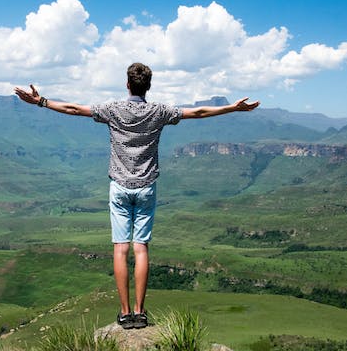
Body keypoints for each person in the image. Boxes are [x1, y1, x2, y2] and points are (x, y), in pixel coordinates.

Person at [14, 63, 259, 330]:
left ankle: (124, 312)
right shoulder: (159, 111)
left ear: (127, 84)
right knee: (140, 248)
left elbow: (74, 109)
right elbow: (198, 112)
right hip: (146, 187)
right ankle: (141, 313)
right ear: (148, 86)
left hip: (119, 187)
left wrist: (41, 102)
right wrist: (232, 108)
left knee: (121, 248)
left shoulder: (113, 109)